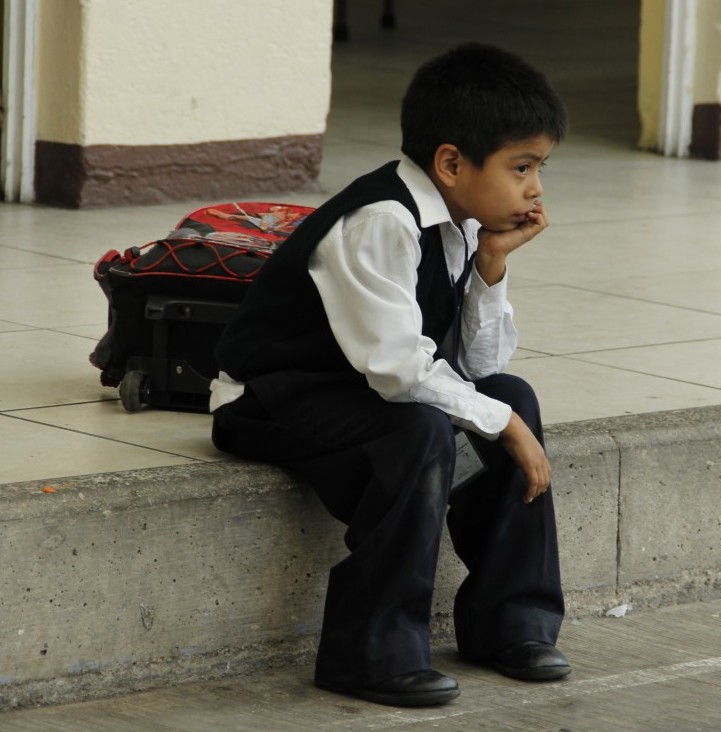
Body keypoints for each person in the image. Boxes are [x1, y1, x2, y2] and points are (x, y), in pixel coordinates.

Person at [209, 42, 569, 708]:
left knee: (510, 395)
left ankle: (510, 621)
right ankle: (369, 652)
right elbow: (401, 372)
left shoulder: (461, 223)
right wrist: (504, 426)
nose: (536, 188)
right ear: (452, 163)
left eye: (539, 167)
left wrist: (491, 266)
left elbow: (482, 369)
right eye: (522, 167)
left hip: (361, 388)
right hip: (272, 397)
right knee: (422, 433)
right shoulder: (383, 220)